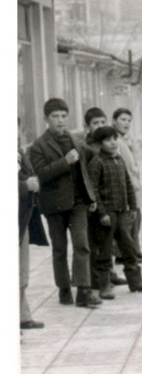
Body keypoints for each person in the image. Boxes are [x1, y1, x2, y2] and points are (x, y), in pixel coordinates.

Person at [28, 98, 101, 308]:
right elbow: (40, 175)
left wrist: (91, 197)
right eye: (55, 117)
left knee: (82, 245)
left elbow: (87, 163)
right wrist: (64, 162)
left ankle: (84, 291)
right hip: (54, 206)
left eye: (63, 116)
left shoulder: (75, 139)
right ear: (46, 119)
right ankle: (64, 289)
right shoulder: (37, 146)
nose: (60, 121)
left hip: (78, 203)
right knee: (59, 248)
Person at [88, 126, 142, 295]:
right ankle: (104, 285)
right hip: (107, 215)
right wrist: (102, 213)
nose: (113, 143)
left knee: (128, 248)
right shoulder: (97, 163)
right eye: (108, 140)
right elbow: (94, 191)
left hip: (122, 213)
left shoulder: (119, 160)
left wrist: (132, 207)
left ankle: (136, 282)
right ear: (99, 144)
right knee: (105, 250)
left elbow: (128, 185)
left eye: (115, 139)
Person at [79, 107, 129, 291]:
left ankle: (110, 275)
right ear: (87, 126)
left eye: (102, 121)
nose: (99, 125)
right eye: (95, 123)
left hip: (113, 202)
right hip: (94, 203)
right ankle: (98, 280)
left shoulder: (111, 143)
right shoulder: (87, 148)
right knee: (97, 244)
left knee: (109, 242)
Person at [19, 118, 48, 329]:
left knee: (22, 271)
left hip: (23, 218)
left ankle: (22, 316)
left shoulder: (19, 153)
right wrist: (23, 186)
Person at [112, 107, 142, 262]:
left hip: (134, 183)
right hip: (125, 183)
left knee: (137, 217)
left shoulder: (126, 139)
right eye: (122, 119)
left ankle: (136, 250)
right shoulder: (115, 140)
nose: (126, 123)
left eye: (129, 120)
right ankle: (124, 254)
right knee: (128, 220)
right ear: (114, 121)